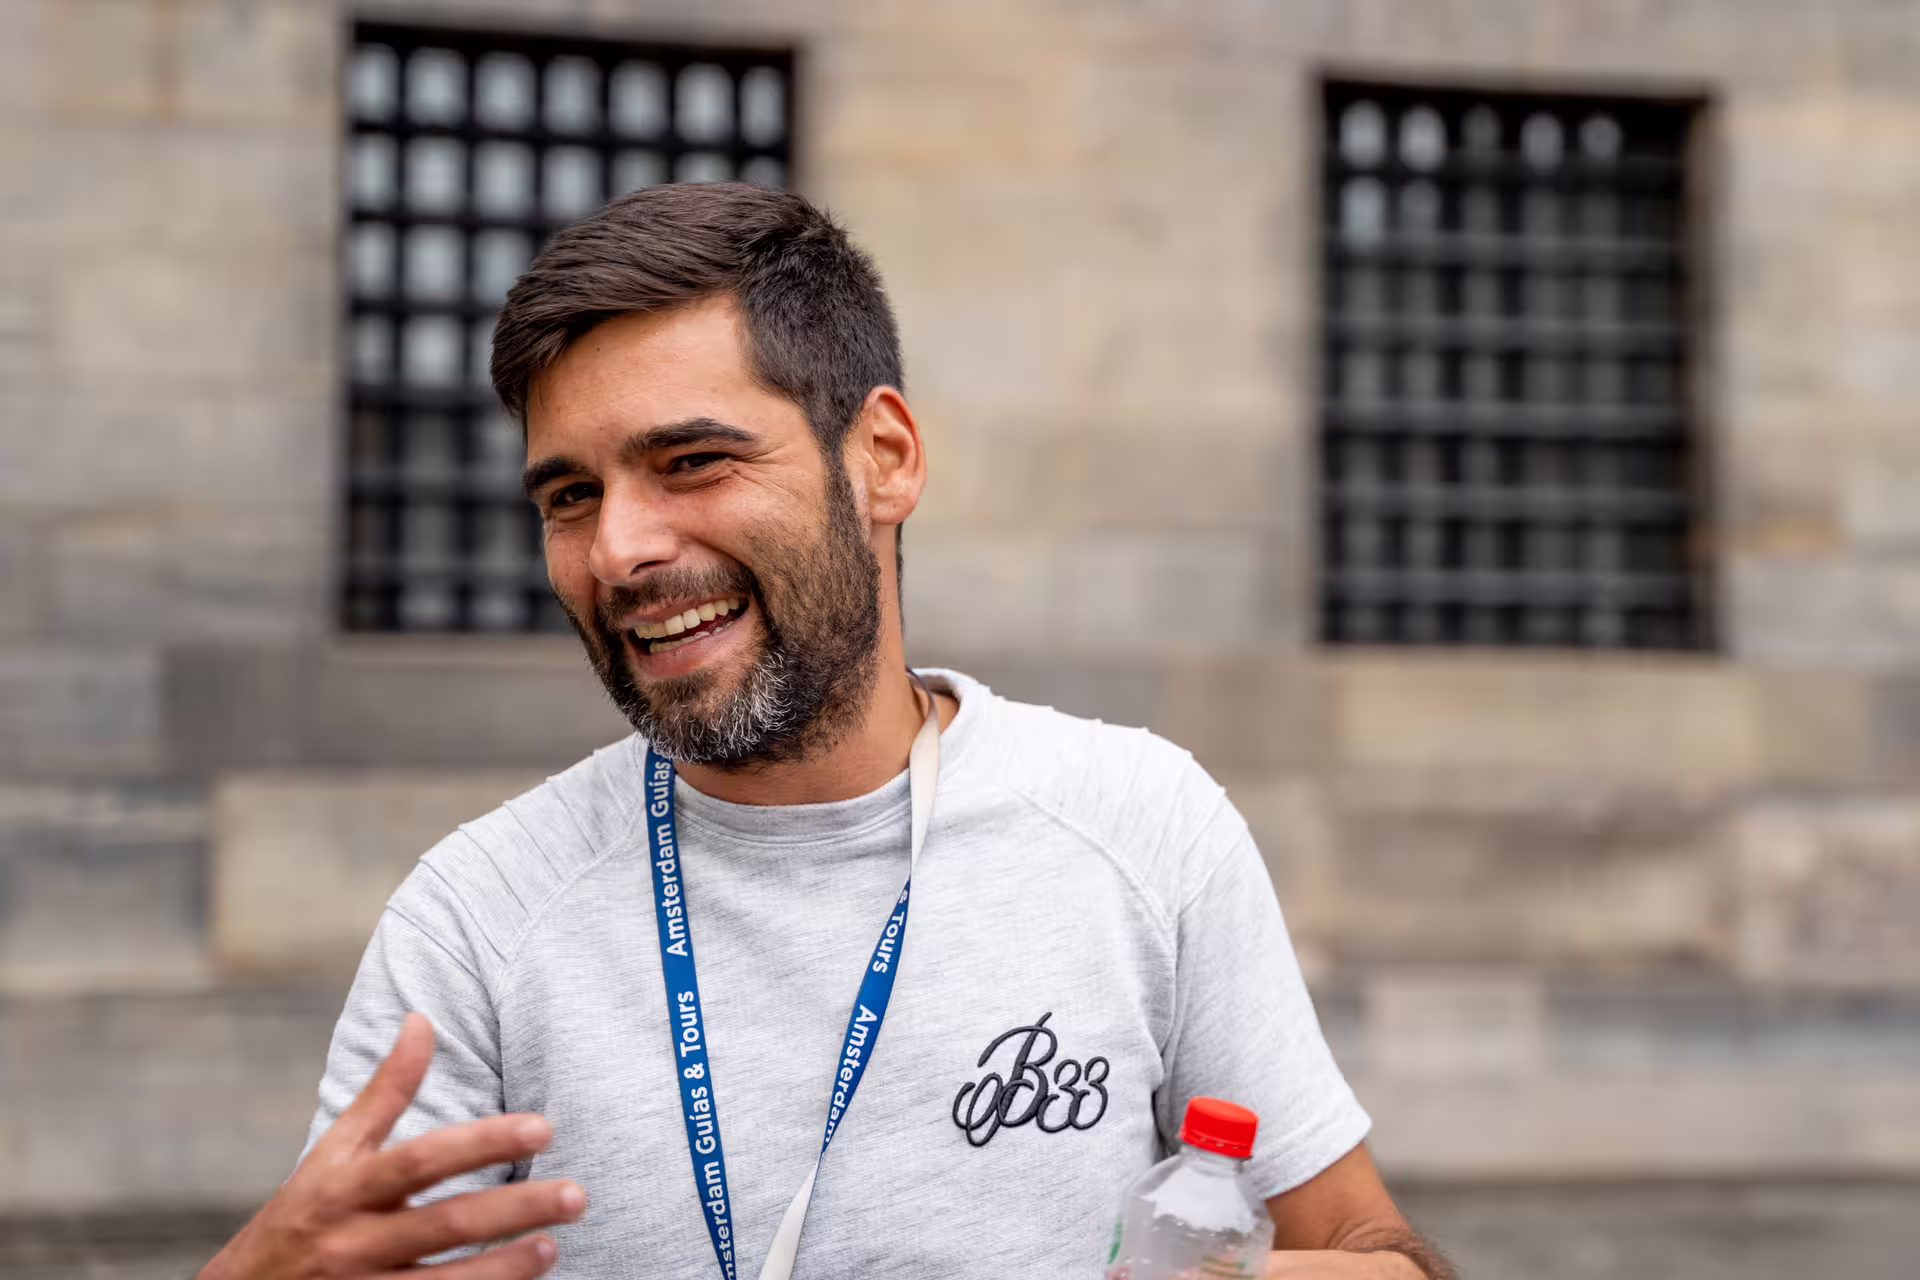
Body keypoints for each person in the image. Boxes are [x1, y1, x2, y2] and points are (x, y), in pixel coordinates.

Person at [200, 183, 1451, 1280]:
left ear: (885, 457)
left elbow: (1366, 1241)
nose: (621, 547)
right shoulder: (475, 920)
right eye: (570, 494)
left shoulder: (1140, 821)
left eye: (690, 459)